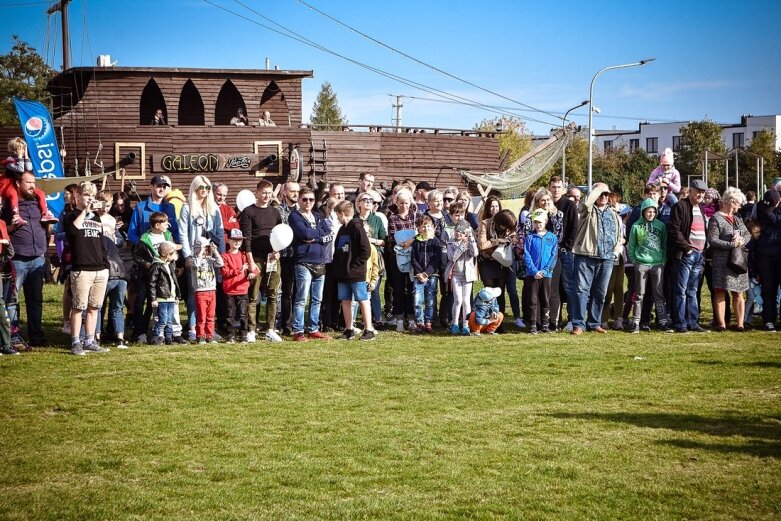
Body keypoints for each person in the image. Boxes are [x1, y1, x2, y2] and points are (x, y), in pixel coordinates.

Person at [63, 181, 110, 355]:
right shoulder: (71, 215)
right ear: (77, 196)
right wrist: (84, 211)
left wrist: (105, 265)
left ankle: (90, 340)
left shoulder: (96, 217)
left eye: (92, 195)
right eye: (86, 195)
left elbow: (101, 242)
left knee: (94, 307)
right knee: (78, 307)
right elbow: (73, 233)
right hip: (81, 269)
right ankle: (76, 342)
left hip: (100, 268)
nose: (90, 198)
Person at [2, 171, 48, 347]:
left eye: (33, 182)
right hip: (18, 259)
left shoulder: (38, 202)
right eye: (28, 182)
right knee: (12, 300)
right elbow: (3, 229)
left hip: (37, 258)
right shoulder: (9, 204)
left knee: (35, 300)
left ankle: (36, 336)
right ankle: (13, 336)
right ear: (18, 183)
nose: (32, 186)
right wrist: (13, 225)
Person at [570, 182, 623, 335]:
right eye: (600, 194)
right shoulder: (587, 210)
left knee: (600, 292)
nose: (603, 197)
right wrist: (598, 189)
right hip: (586, 255)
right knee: (581, 291)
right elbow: (587, 202)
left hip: (606, 258)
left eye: (606, 194)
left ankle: (594, 322)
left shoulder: (613, 213)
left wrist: (615, 251)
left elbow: (619, 235)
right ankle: (578, 324)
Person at [179, 175, 225, 341]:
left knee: (210, 292)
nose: (204, 191)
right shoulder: (187, 208)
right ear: (195, 189)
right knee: (195, 293)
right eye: (201, 188)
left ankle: (209, 330)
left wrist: (221, 253)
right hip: (195, 255)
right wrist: (187, 255)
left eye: (207, 188)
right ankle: (193, 328)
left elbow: (219, 232)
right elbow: (183, 233)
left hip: (211, 256)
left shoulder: (214, 208)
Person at [239, 180, 282, 342]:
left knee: (272, 294)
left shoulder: (275, 212)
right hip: (255, 258)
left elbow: (280, 233)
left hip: (272, 258)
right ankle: (251, 330)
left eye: (269, 193)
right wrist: (250, 262)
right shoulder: (248, 212)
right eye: (264, 193)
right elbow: (246, 238)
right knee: (253, 296)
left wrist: (278, 251)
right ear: (256, 193)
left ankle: (270, 329)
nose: (266, 196)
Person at [289, 187, 333, 341]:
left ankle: (313, 329)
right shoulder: (295, 216)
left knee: (317, 298)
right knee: (301, 298)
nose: (308, 202)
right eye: (305, 199)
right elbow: (304, 233)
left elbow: (329, 234)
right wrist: (318, 234)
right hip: (303, 262)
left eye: (311, 200)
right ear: (299, 200)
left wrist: (316, 238)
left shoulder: (318, 216)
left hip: (320, 261)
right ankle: (298, 331)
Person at [667, 178, 709, 333]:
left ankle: (693, 322)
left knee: (693, 291)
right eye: (698, 191)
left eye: (703, 193)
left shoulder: (701, 208)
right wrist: (687, 248)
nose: (700, 195)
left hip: (699, 255)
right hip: (685, 255)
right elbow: (673, 230)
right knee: (681, 290)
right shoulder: (680, 206)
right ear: (690, 191)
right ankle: (680, 323)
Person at [131, 211, 179, 342]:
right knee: (142, 302)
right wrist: (146, 264)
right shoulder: (145, 238)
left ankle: (164, 333)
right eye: (165, 223)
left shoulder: (168, 236)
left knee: (161, 306)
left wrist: (175, 259)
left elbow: (174, 253)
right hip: (147, 276)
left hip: (164, 278)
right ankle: (140, 332)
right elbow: (136, 256)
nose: (168, 225)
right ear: (157, 225)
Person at [707, 187, 750, 332]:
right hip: (722, 262)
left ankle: (740, 324)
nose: (739, 206)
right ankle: (721, 324)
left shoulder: (738, 218)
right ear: (731, 202)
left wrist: (741, 239)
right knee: (720, 291)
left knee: (738, 293)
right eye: (738, 203)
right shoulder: (716, 218)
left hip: (738, 262)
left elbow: (748, 235)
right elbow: (712, 240)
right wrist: (732, 244)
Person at [627, 198, 672, 333]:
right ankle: (636, 321)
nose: (651, 214)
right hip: (641, 263)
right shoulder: (636, 226)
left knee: (659, 294)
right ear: (643, 212)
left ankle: (663, 321)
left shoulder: (661, 226)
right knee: (639, 294)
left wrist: (663, 261)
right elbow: (631, 246)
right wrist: (635, 262)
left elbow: (664, 245)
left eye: (653, 211)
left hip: (657, 264)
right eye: (648, 211)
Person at [332, 200, 375, 340]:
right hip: (343, 273)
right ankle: (349, 329)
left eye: (337, 215)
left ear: (342, 213)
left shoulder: (357, 227)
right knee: (345, 300)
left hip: (356, 273)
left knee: (362, 299)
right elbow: (338, 250)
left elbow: (366, 250)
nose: (337, 219)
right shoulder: (342, 229)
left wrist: (354, 266)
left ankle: (369, 329)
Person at [477, 197, 517, 333]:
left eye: (496, 206)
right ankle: (487, 321)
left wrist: (510, 239)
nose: (494, 209)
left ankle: (499, 323)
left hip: (501, 262)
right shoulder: (485, 223)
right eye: (491, 207)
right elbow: (482, 245)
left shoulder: (507, 222)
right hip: (487, 261)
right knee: (489, 292)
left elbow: (514, 236)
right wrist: (497, 241)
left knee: (500, 292)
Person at [1, 138, 58, 225]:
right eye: (19, 148)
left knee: (41, 193)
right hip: (10, 184)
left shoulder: (24, 158)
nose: (22, 151)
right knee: (13, 195)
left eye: (23, 148)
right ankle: (16, 216)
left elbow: (29, 168)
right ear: (13, 149)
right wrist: (20, 157)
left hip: (23, 183)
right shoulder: (9, 160)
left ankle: (45, 214)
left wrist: (26, 156)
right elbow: (20, 169)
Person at [548, 176, 577, 332]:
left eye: (559, 187)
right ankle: (554, 319)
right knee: (553, 288)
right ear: (549, 188)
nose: (556, 190)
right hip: (549, 252)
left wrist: (567, 246)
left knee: (568, 286)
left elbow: (574, 227)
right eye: (553, 187)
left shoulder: (569, 205)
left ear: (563, 189)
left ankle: (572, 319)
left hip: (564, 252)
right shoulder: (546, 203)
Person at [387, 188, 418, 331]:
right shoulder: (393, 218)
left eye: (406, 203)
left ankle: (412, 318)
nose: (403, 206)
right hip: (398, 257)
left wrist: (410, 240)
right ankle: (399, 319)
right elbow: (394, 237)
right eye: (401, 203)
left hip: (413, 257)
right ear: (397, 203)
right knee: (399, 288)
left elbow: (419, 234)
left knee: (412, 288)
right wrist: (410, 239)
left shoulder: (416, 216)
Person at [523, 209, 558, 334]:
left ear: (546, 221)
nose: (538, 224)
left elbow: (553, 256)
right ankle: (532, 324)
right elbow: (526, 255)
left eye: (540, 222)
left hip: (546, 275)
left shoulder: (552, 237)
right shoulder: (530, 237)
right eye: (535, 222)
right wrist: (533, 271)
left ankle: (545, 324)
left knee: (545, 299)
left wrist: (545, 270)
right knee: (532, 300)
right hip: (532, 275)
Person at [356, 191, 387, 331]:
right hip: (358, 258)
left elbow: (384, 241)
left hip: (375, 257)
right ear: (359, 203)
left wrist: (371, 240)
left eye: (371, 200)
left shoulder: (377, 219)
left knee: (374, 289)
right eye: (365, 199)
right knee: (358, 289)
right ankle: (362, 320)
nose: (368, 202)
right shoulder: (355, 220)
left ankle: (378, 319)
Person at [221, 228, 258, 343]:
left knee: (243, 315)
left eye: (239, 240)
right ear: (229, 241)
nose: (237, 242)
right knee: (229, 315)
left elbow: (256, 269)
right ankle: (231, 335)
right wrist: (239, 270)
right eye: (234, 240)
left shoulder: (244, 256)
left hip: (242, 290)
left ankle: (243, 335)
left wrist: (252, 273)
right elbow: (224, 272)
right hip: (229, 290)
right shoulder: (225, 256)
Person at [753, 189, 781, 331]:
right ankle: (769, 319)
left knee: (769, 290)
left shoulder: (761, 208)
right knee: (768, 289)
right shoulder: (760, 207)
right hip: (765, 254)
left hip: (770, 253)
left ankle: (770, 319)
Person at [410, 215, 442, 334]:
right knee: (417, 300)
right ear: (419, 228)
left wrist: (426, 273)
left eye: (428, 226)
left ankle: (428, 321)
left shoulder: (436, 242)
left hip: (431, 275)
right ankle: (420, 322)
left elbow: (436, 260)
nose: (426, 228)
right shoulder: (416, 242)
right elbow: (413, 259)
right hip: (418, 276)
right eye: (423, 226)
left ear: (433, 227)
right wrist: (420, 273)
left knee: (430, 300)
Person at [190, 236, 224, 344]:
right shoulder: (193, 260)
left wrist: (215, 252)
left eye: (206, 248)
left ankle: (210, 335)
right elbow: (196, 264)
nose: (205, 250)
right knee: (201, 316)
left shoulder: (210, 259)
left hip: (212, 291)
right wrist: (200, 251)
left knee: (210, 316)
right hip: (200, 291)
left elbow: (220, 263)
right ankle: (200, 336)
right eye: (204, 248)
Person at [445, 220, 477, 335]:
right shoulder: (450, 244)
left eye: (462, 232)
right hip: (455, 275)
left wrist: (471, 239)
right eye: (457, 231)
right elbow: (452, 258)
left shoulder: (469, 242)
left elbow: (475, 253)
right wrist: (461, 246)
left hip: (468, 276)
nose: (459, 233)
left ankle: (466, 325)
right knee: (458, 300)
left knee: (466, 301)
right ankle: (454, 323)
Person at [276, 181, 299, 336]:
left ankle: (297, 323)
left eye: (297, 191)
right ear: (284, 193)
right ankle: (285, 324)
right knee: (286, 292)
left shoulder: (302, 210)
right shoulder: (278, 211)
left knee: (299, 292)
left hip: (300, 256)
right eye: (292, 191)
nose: (296, 194)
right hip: (284, 255)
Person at [149, 241, 181, 345]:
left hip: (171, 298)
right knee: (163, 319)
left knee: (169, 320)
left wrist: (176, 295)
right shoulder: (157, 266)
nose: (174, 256)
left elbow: (173, 281)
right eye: (172, 254)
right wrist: (153, 299)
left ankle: (169, 338)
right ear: (167, 255)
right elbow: (152, 283)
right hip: (162, 298)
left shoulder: (169, 265)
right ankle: (155, 337)